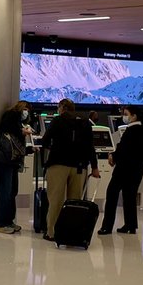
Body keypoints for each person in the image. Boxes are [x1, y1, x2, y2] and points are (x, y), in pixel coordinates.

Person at [40, 98, 99, 240]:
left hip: (58, 164)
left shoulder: (58, 120)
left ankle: (52, 232)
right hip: (79, 167)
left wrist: (52, 148)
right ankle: (72, 232)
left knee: (56, 200)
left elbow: (45, 141)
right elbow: (90, 147)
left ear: (62, 108)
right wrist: (95, 167)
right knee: (75, 201)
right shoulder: (84, 122)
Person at [98, 106, 143, 235]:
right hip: (137, 168)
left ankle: (107, 226)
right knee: (130, 196)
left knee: (112, 194)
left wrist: (113, 156)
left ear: (134, 116)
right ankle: (130, 225)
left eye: (126, 114)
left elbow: (124, 149)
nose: (124, 117)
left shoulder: (131, 131)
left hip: (124, 169)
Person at [0, 107, 27, 233]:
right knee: (6, 191)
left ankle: (9, 221)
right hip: (7, 162)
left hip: (11, 162)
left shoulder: (12, 127)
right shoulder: (10, 126)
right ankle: (3, 222)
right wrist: (21, 132)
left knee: (12, 191)